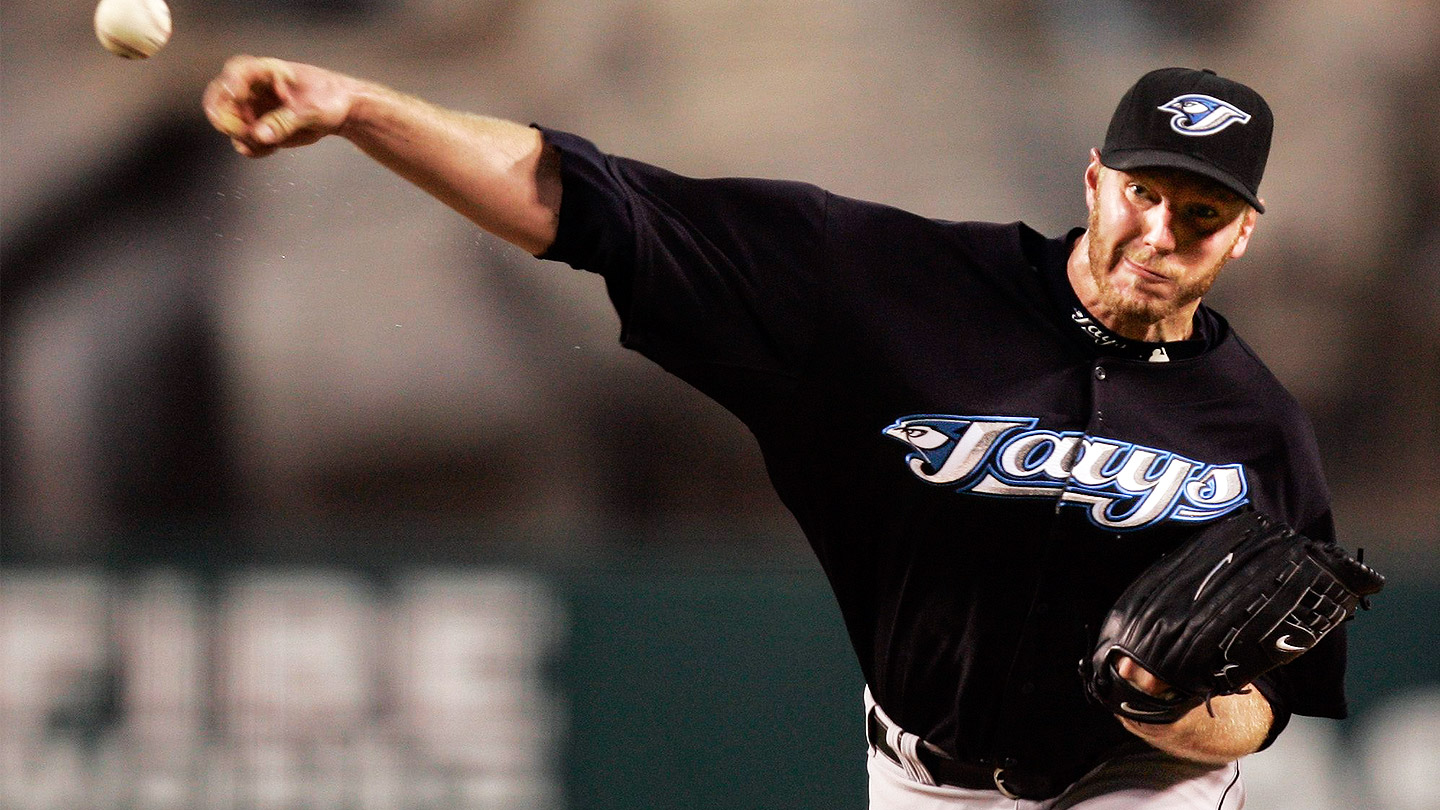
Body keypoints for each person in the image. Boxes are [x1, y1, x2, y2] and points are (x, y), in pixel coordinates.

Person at [203, 58, 1349, 808]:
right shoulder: (885, 288)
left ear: (1241, 234)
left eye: (1197, 213)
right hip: (922, 786)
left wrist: (1167, 703)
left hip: (1136, 797)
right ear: (1093, 178)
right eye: (1141, 191)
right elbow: (593, 205)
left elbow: (1266, 710)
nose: (1159, 229)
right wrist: (361, 113)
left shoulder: (1256, 430)